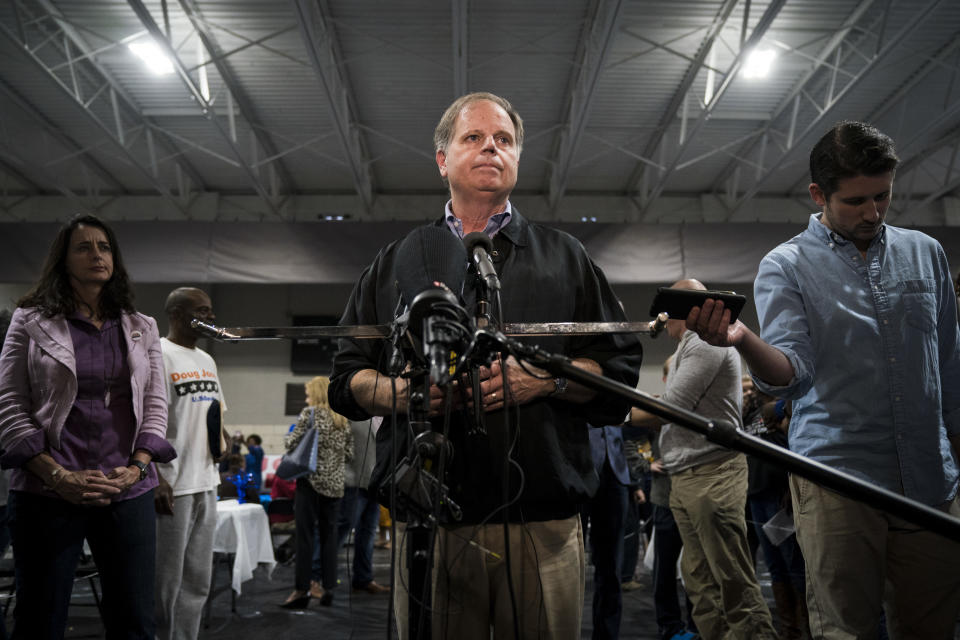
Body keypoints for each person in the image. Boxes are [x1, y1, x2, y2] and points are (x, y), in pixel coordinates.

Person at [329, 92, 642, 639]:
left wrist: (542, 380)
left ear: (518, 158)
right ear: (442, 159)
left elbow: (620, 373)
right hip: (431, 523)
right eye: (473, 137)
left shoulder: (566, 257)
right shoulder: (395, 263)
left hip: (543, 523)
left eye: (504, 140)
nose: (490, 148)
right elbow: (346, 379)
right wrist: (405, 396)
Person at [688, 121, 960, 637]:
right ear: (819, 194)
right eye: (856, 201)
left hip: (931, 482)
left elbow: (950, 365)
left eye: (883, 196)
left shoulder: (925, 253)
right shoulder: (786, 266)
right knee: (843, 628)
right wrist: (744, 339)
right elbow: (790, 375)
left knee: (935, 627)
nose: (873, 212)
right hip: (839, 481)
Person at [0, 213, 174, 639]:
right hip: (47, 489)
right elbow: (8, 403)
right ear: (63, 259)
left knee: (134, 621)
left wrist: (137, 468)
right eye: (84, 247)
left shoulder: (141, 326)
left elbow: (155, 403)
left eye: (104, 247)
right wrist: (57, 475)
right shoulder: (29, 320)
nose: (97, 255)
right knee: (39, 621)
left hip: (126, 488)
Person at [631, 279, 776, 640]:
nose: (662, 321)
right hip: (688, 475)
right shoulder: (686, 348)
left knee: (731, 581)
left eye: (668, 313)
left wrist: (619, 412)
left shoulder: (705, 343)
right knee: (700, 581)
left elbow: (674, 408)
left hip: (710, 472)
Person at [154, 286, 225, 640]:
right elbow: (143, 421)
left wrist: (223, 449)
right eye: (204, 310)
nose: (211, 316)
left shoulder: (207, 360)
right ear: (179, 314)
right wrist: (154, 477)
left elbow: (215, 413)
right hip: (172, 486)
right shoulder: (158, 355)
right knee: (165, 584)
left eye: (211, 310)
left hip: (206, 482)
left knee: (197, 582)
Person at [280, 375, 353, 608]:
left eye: (308, 392)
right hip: (335, 487)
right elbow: (350, 454)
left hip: (309, 484)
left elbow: (291, 443)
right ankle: (329, 586)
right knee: (329, 538)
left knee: (305, 538)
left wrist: (288, 436)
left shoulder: (308, 415)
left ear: (317, 393)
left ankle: (302, 590)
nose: (306, 397)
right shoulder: (343, 419)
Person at [581, 424, 632, 640]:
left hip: (615, 472)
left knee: (611, 568)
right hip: (577, 468)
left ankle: (607, 636)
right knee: (566, 566)